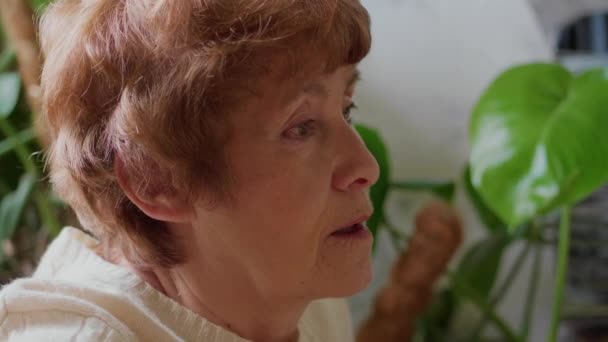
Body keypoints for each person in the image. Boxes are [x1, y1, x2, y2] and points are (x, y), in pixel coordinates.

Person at [0, 1, 379, 341]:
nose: (366, 168)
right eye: (300, 127)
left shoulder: (307, 302)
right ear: (156, 181)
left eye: (346, 109)